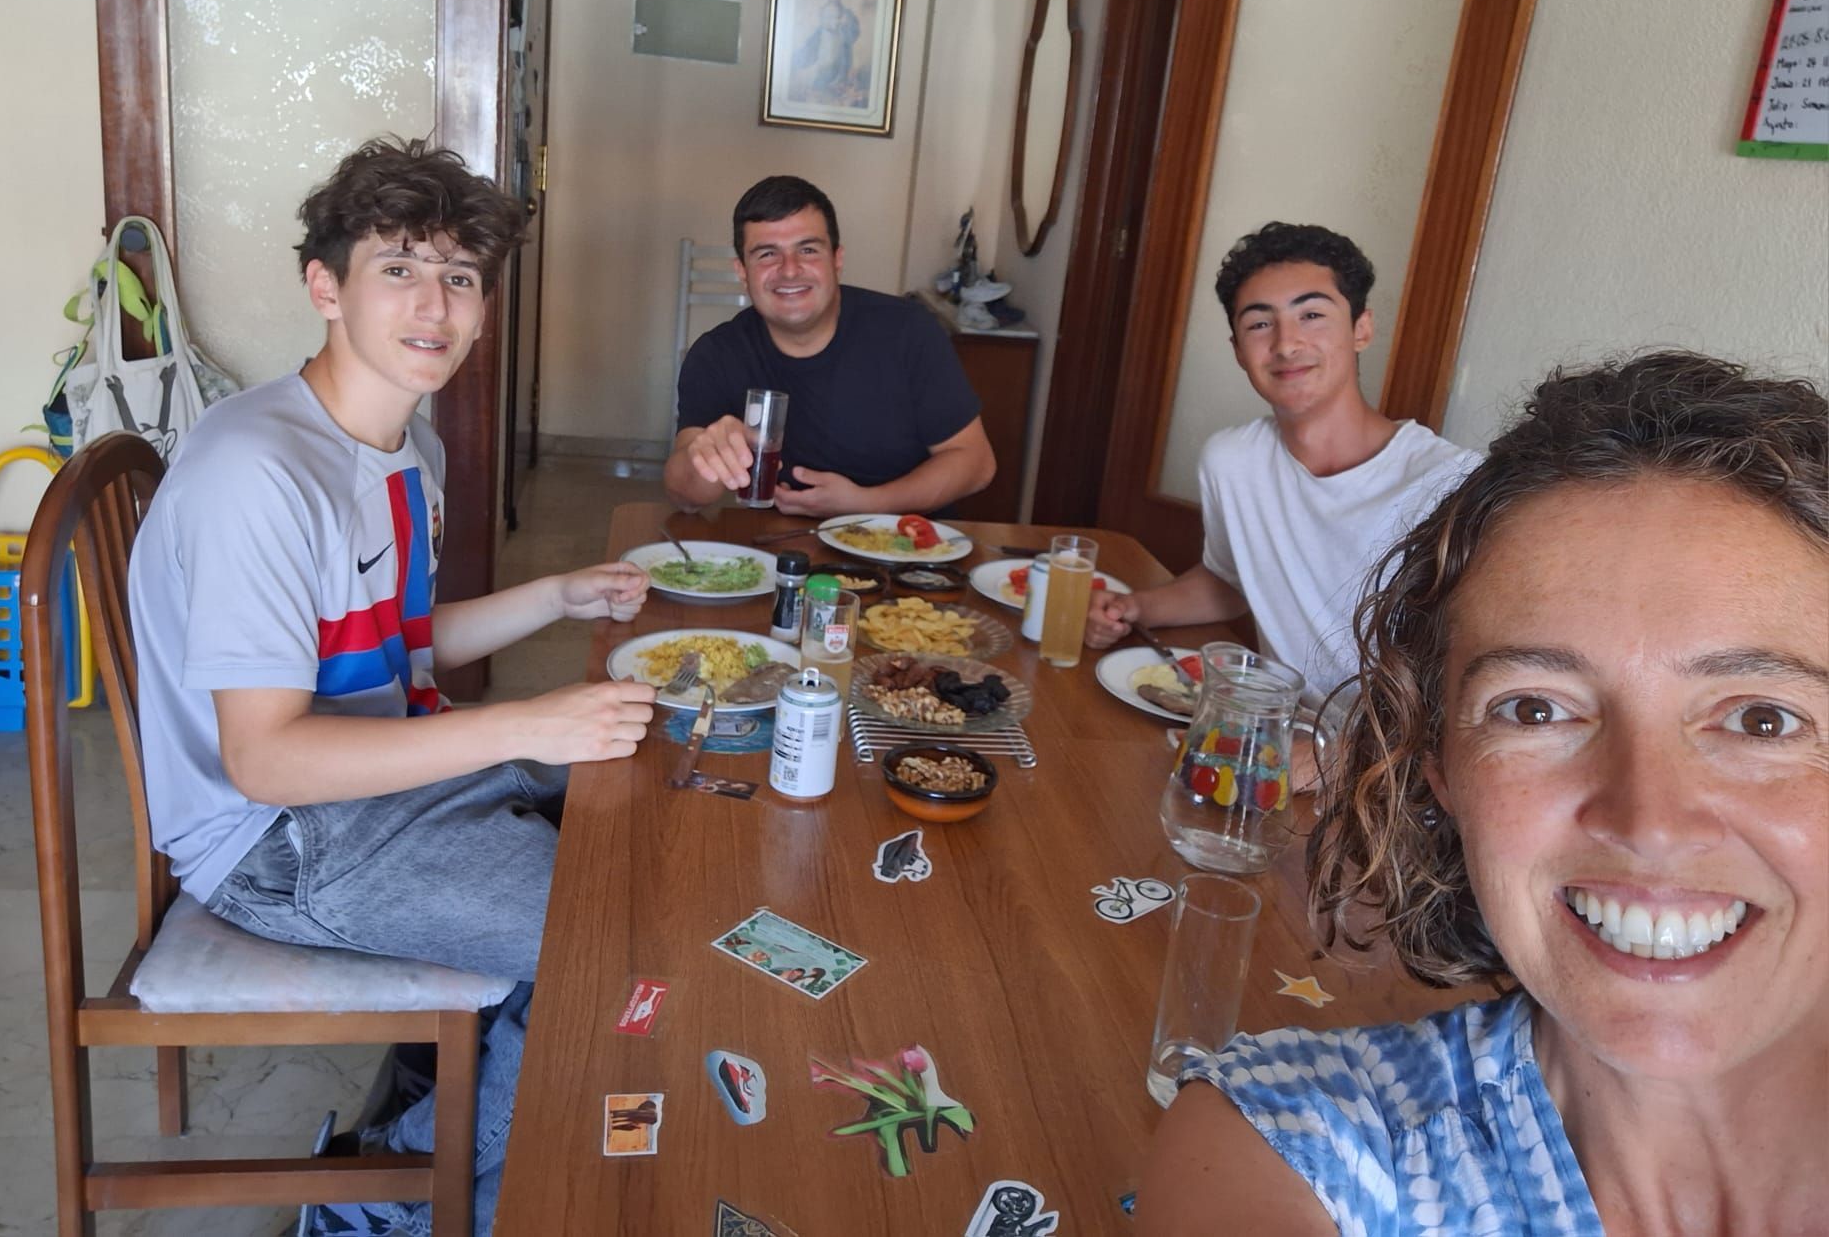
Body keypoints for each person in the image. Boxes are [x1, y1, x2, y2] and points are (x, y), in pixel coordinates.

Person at [1137, 351, 1828, 1237]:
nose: (1647, 824)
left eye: (1762, 721)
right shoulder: (1291, 1143)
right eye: (1535, 708)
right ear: (1439, 765)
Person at [128, 136, 660, 1236]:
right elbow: (264, 756)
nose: (437, 304)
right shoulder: (257, 473)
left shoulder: (401, 445)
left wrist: (555, 597)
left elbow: (392, 644)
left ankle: (432, 1105)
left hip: (368, 793)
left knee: (645, 828)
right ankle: (379, 1202)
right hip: (275, 839)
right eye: (399, 267)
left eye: (461, 276)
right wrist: (524, 722)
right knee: (616, 951)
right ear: (324, 286)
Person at [1086, 223, 1479, 708]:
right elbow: (1231, 581)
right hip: (1277, 726)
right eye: (1259, 324)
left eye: (1311, 315)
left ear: (1362, 329)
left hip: (1385, 762)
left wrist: (1334, 758)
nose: (1286, 344)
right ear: (1237, 350)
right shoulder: (1233, 462)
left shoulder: (1450, 484)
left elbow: (1471, 675)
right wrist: (1134, 607)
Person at [666, 175, 996, 518]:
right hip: (777, 550)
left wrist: (867, 504)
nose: (789, 271)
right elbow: (685, 495)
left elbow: (975, 462)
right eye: (767, 254)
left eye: (808, 250)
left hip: (906, 547)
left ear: (836, 259)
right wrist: (704, 459)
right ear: (742, 271)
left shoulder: (908, 332)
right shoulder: (717, 354)